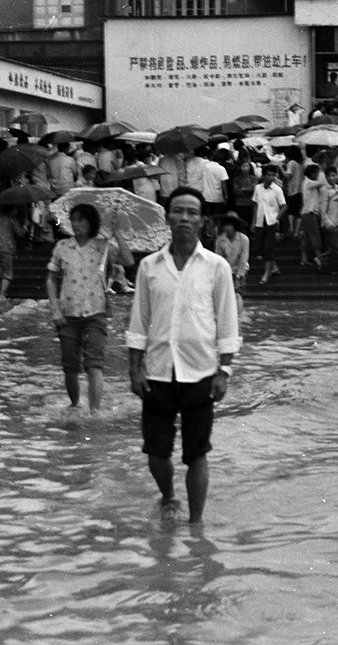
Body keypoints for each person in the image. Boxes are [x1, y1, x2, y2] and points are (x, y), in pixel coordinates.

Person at [127, 187, 240, 525]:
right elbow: (139, 321)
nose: (184, 218)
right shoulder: (149, 266)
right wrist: (134, 369)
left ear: (203, 221)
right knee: (156, 452)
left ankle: (196, 525)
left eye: (192, 213)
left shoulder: (216, 267)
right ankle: (167, 495)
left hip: (201, 372)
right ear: (167, 217)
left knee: (198, 453)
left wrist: (225, 372)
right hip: (158, 371)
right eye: (178, 211)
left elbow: (227, 321)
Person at [46, 203, 130, 412]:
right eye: (74, 219)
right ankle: (75, 405)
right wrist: (54, 308)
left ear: (91, 222)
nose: (76, 224)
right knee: (70, 367)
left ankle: (94, 412)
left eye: (82, 220)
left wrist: (117, 233)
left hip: (96, 313)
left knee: (94, 364)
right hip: (67, 314)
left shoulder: (104, 247)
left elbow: (128, 260)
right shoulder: (62, 247)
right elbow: (51, 279)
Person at [251, 164, 286, 284]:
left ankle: (266, 273)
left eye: (273, 175)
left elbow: (284, 206)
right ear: (264, 176)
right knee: (259, 247)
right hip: (260, 220)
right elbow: (255, 204)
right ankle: (273, 265)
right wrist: (254, 221)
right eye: (268, 175)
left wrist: (277, 218)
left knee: (268, 247)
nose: (271, 177)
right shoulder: (258, 188)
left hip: (271, 221)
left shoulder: (277, 190)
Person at [214, 212, 250, 319]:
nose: (227, 228)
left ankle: (238, 316)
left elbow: (244, 259)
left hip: (240, 269)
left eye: (229, 225)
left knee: (238, 293)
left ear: (235, 226)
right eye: (225, 225)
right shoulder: (220, 240)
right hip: (225, 270)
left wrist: (239, 276)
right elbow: (218, 258)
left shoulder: (244, 239)